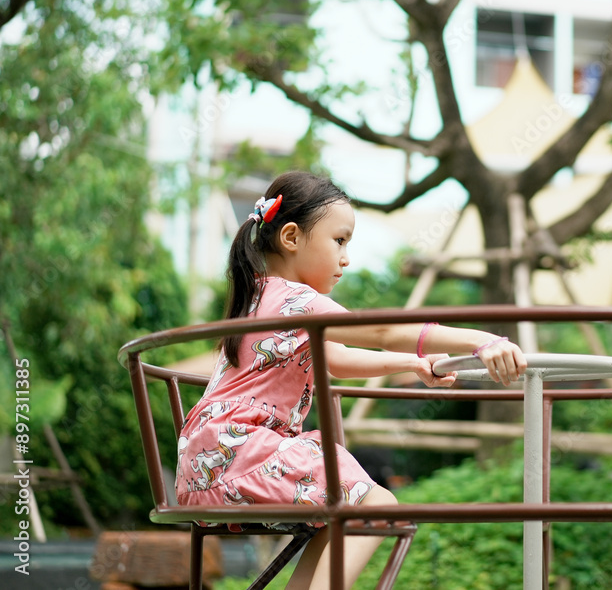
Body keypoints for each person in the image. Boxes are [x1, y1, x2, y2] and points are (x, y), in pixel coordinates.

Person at [174, 171, 527, 589]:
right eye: (339, 241)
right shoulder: (297, 299)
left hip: (203, 465)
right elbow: (381, 330)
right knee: (377, 504)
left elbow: (337, 359)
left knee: (343, 512)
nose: (346, 258)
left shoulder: (260, 298)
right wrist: (480, 340)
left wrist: (414, 364)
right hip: (240, 453)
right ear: (291, 237)